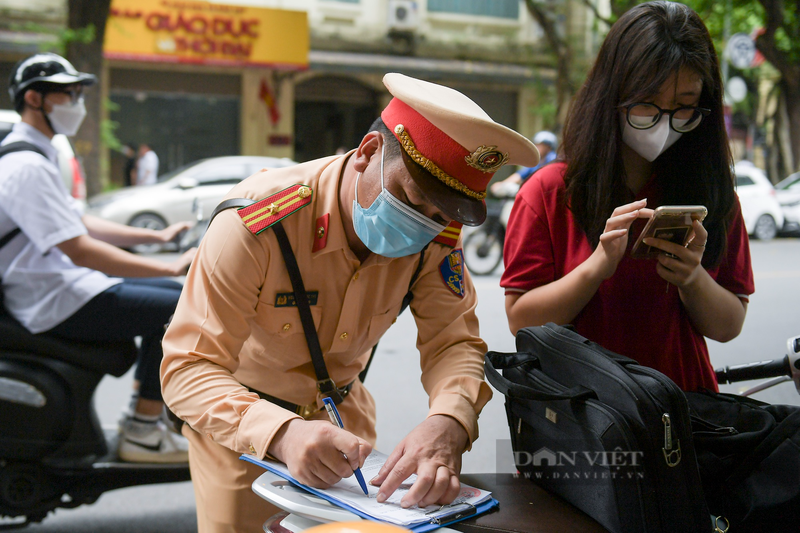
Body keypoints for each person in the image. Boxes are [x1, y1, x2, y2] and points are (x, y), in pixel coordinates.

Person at [160, 72, 540, 532]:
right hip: (245, 441)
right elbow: (187, 368)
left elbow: (454, 342)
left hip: (350, 440)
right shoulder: (259, 221)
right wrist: (281, 432)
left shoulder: (438, 235)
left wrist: (450, 420)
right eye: (413, 200)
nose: (424, 226)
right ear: (368, 153)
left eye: (441, 216)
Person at [500, 1, 754, 392]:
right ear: (611, 94)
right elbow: (521, 319)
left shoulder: (714, 195)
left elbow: (729, 325)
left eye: (684, 107)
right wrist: (596, 267)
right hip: (587, 424)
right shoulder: (549, 192)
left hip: (687, 416)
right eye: (647, 104)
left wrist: (691, 277)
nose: (664, 123)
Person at [0, 53, 196, 462]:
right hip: (51, 297)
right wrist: (169, 263)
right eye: (68, 94)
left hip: (61, 284)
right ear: (34, 99)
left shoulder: (37, 154)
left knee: (173, 294)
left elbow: (79, 222)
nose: (77, 103)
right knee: (180, 306)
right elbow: (79, 248)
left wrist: (155, 235)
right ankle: (143, 429)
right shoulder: (25, 165)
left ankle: (144, 416)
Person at [490, 130, 557, 197]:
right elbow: (519, 175)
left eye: (540, 145)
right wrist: (502, 184)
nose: (537, 147)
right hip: (533, 192)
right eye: (536, 144)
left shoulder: (553, 159)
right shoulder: (537, 161)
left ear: (548, 147)